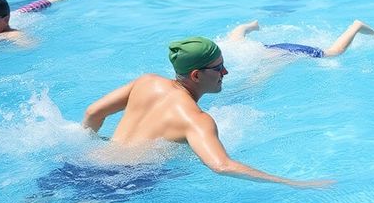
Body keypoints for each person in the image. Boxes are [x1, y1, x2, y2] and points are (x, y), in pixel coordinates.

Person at [81, 36, 334, 187]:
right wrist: (295, 184)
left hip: (89, 162)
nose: (226, 73)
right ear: (196, 75)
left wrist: (97, 142)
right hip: (120, 180)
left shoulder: (145, 82)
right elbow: (222, 166)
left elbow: (93, 113)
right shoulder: (196, 119)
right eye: (219, 67)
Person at [226, 19, 374, 60]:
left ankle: (355, 27)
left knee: (334, 53)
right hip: (270, 48)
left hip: (289, 51)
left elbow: (256, 81)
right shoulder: (235, 48)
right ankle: (253, 25)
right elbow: (237, 34)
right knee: (237, 37)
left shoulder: (268, 60)